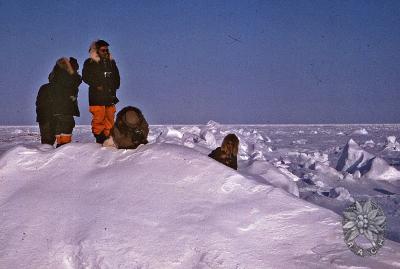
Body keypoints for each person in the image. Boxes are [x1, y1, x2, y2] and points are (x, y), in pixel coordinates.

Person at [82, 39, 120, 144]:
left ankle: (108, 138)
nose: (106, 52)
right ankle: (99, 138)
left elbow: (116, 76)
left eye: (107, 50)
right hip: (96, 96)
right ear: (96, 51)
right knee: (99, 117)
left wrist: (115, 86)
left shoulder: (111, 62)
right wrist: (97, 85)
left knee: (110, 117)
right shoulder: (90, 62)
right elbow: (85, 77)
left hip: (110, 95)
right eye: (103, 50)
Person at [49, 57, 82, 147]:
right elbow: (76, 81)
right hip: (65, 106)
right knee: (67, 124)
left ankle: (60, 144)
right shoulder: (65, 74)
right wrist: (73, 73)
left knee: (60, 125)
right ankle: (64, 146)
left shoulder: (56, 74)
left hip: (56, 107)